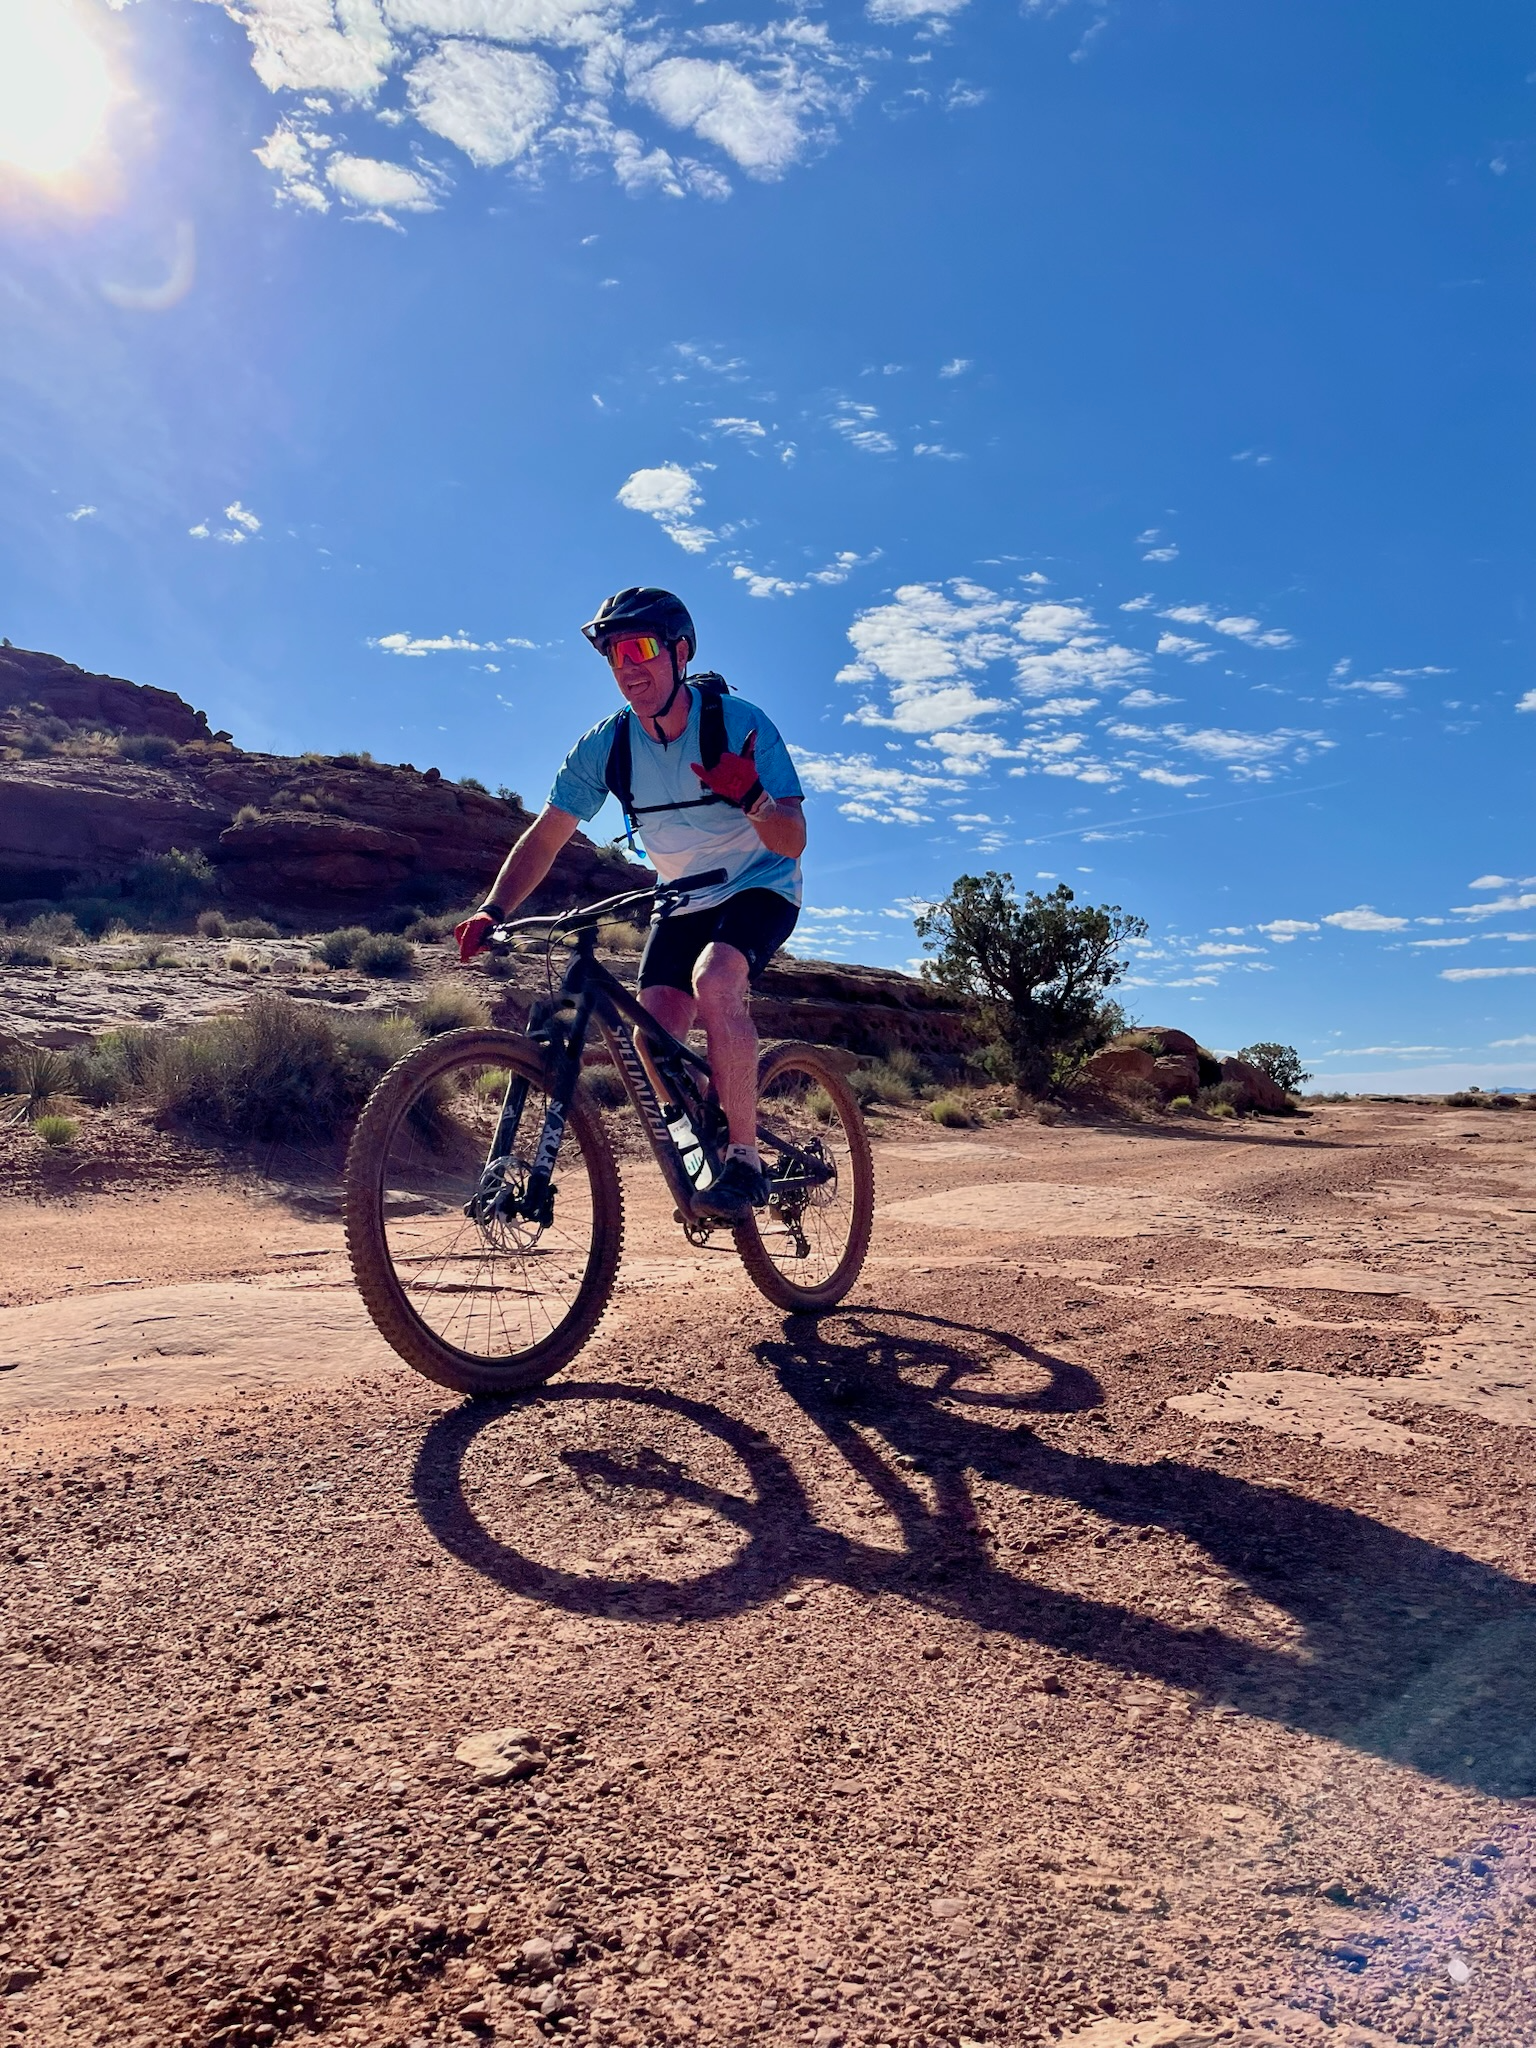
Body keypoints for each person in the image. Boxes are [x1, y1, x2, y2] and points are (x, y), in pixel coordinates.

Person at [455, 587, 806, 1222]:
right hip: (681, 895)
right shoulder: (608, 746)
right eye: (614, 654)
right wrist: (493, 909)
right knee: (653, 1037)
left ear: (681, 652)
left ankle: (745, 1161)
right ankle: (710, 1129)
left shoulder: (738, 724)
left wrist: (753, 797)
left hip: (758, 882)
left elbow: (792, 838)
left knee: (716, 981)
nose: (628, 667)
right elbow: (548, 835)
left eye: (641, 648)